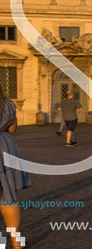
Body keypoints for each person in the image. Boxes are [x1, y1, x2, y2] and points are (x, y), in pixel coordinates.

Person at [0, 85, 29, 248]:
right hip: (5, 146)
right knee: (8, 197)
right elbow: (12, 129)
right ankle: (16, 242)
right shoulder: (8, 104)